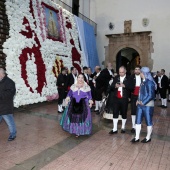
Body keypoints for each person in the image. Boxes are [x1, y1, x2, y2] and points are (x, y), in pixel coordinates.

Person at [131, 67, 156, 143]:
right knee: (137, 120)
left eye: (141, 72)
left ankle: (148, 137)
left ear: (144, 73)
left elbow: (151, 95)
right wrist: (138, 100)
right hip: (140, 105)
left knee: (148, 121)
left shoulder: (150, 83)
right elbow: (140, 93)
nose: (140, 73)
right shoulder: (143, 82)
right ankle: (137, 137)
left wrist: (143, 102)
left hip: (148, 105)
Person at [109, 66, 131, 134]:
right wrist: (115, 86)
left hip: (124, 98)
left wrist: (124, 86)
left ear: (125, 71)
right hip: (116, 98)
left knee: (124, 113)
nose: (121, 73)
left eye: (122, 72)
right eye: (120, 72)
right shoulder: (116, 77)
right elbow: (111, 87)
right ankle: (114, 128)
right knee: (115, 113)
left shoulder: (129, 78)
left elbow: (132, 87)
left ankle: (123, 127)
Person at [0, 68, 16, 141]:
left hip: (5, 106)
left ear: (1, 74)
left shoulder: (9, 82)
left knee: (9, 122)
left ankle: (13, 134)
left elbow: (10, 94)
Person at [129, 65, 141, 133]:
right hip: (133, 96)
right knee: (133, 111)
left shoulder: (142, 77)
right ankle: (133, 126)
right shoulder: (131, 77)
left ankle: (138, 125)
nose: (137, 71)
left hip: (141, 97)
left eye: (138, 69)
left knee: (139, 111)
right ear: (134, 70)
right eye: (136, 69)